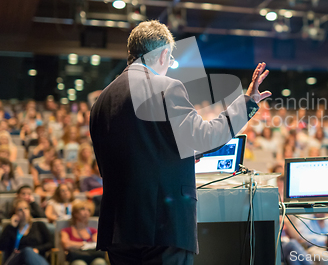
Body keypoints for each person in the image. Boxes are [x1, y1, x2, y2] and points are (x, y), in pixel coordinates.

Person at [90, 20, 270, 264]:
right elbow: (206, 137)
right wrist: (248, 102)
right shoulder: (166, 87)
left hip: (118, 228)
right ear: (163, 54)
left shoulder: (102, 100)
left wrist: (177, 155)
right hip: (163, 225)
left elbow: (121, 160)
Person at [0, 198, 52, 264]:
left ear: (29, 210)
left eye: (26, 208)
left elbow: (50, 244)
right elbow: (2, 246)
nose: (24, 211)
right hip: (16, 259)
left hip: (35, 257)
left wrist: (37, 249)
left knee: (28, 251)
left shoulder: (39, 225)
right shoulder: (10, 228)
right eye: (20, 210)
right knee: (27, 250)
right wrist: (12, 227)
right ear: (15, 213)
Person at [60, 200, 106, 265]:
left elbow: (96, 244)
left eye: (89, 210)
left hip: (93, 256)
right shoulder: (66, 230)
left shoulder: (93, 231)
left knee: (100, 262)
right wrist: (85, 244)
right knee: (79, 264)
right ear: (75, 213)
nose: (86, 213)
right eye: (83, 209)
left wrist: (75, 245)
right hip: (77, 258)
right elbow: (66, 245)